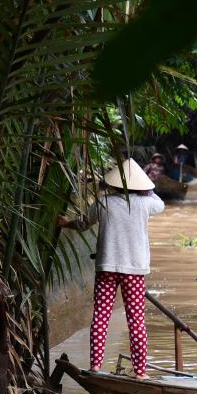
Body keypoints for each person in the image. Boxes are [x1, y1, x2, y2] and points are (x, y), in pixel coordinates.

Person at [58, 159, 165, 380]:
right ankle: (140, 372)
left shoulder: (103, 202)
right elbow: (160, 202)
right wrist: (148, 188)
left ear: (114, 184)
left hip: (106, 267)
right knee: (136, 319)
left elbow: (82, 223)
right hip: (134, 270)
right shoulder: (146, 204)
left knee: (101, 316)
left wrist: (65, 223)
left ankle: (95, 366)